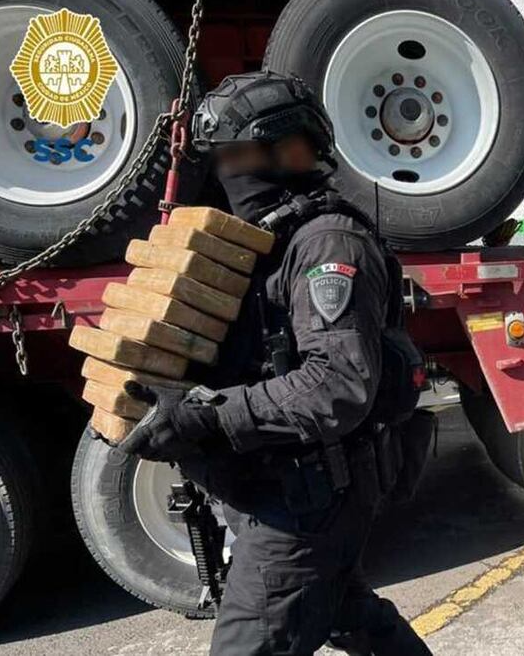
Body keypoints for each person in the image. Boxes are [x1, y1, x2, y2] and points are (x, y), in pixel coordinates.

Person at [108, 71, 431, 655]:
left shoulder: (329, 243)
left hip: (307, 497)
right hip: (279, 487)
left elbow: (338, 382)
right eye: (221, 158)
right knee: (343, 611)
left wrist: (209, 417)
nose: (227, 171)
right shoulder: (266, 240)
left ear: (290, 149)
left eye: (238, 155)